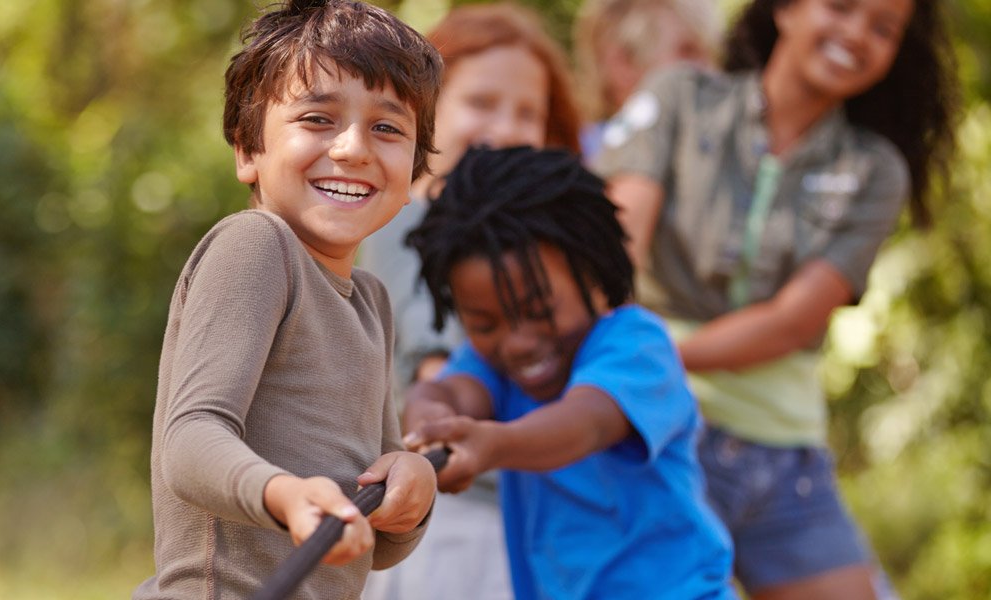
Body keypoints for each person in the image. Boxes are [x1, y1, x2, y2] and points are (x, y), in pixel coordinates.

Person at [594, 0, 959, 598]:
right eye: (840, 7)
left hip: (782, 459)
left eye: (883, 28)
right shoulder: (680, 99)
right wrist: (629, 372)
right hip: (655, 436)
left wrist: (657, 353)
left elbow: (792, 322)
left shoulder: (874, 170)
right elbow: (613, 249)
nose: (856, 34)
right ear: (786, 9)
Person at [132, 1, 446, 598]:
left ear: (415, 171)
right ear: (249, 151)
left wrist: (412, 488)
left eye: (387, 128)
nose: (354, 148)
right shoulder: (256, 245)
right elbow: (191, 439)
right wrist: (286, 496)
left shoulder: (370, 302)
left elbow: (370, 545)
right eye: (317, 118)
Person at [401, 145, 736, 600]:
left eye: (539, 310)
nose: (517, 342)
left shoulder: (635, 346)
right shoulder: (494, 367)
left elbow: (586, 423)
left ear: (594, 277)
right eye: (484, 324)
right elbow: (449, 394)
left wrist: (492, 445)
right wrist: (426, 424)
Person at [357, 4, 582, 598]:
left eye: (527, 113)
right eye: (482, 103)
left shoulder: (536, 244)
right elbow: (433, 365)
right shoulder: (409, 220)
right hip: (456, 523)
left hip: (535, 513)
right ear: (427, 110)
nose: (505, 129)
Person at [572, 0, 720, 161]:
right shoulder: (581, 163)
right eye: (688, 52)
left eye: (713, 55)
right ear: (624, 62)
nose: (712, 72)